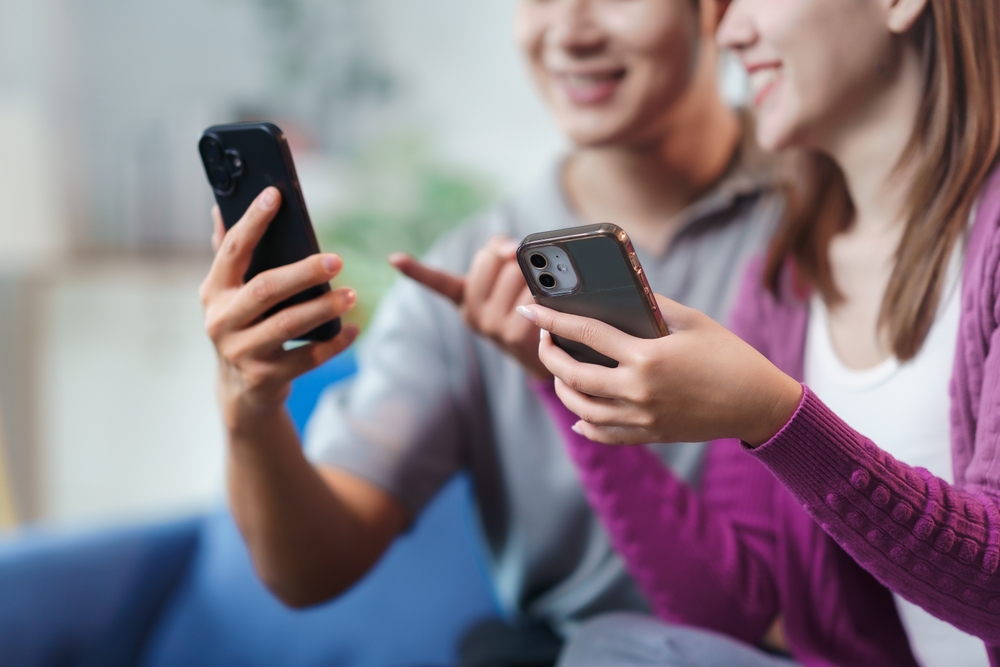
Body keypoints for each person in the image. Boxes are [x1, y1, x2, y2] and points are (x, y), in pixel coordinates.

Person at [198, 0, 784, 663]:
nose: (570, 32)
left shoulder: (832, 211)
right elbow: (309, 570)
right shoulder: (469, 272)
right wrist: (249, 406)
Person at [519, 0, 1000, 664]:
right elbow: (733, 606)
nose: (730, 30)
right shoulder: (784, 281)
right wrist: (568, 379)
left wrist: (778, 417)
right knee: (605, 648)